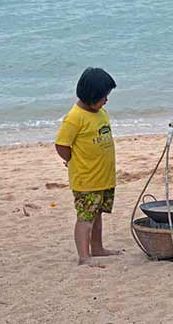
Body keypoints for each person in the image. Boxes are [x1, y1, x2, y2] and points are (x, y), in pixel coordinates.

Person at [55, 67, 119, 266]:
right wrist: (71, 161)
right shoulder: (74, 118)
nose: (106, 100)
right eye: (103, 97)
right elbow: (62, 144)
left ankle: (97, 248)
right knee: (86, 217)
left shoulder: (101, 112)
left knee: (98, 214)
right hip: (86, 179)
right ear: (90, 96)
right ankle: (84, 256)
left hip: (103, 177)